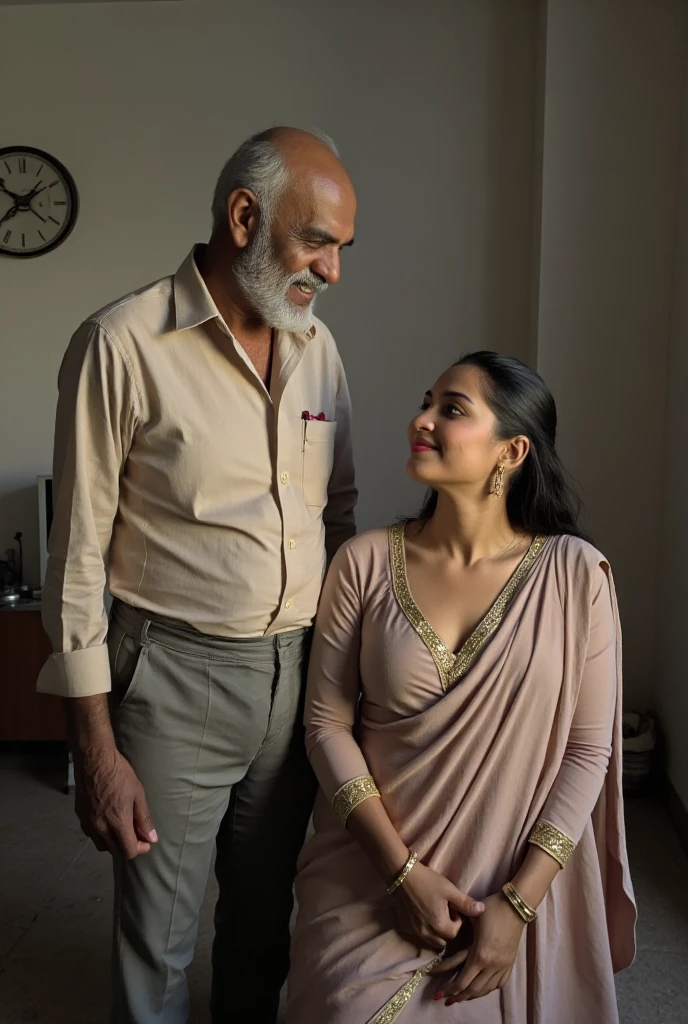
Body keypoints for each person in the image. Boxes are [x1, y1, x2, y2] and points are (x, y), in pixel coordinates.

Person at [37, 126, 357, 1024]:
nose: (332, 271)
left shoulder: (317, 346)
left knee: (264, 922)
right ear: (244, 216)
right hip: (172, 676)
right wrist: (94, 751)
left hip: (296, 676)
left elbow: (339, 509)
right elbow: (74, 566)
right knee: (158, 939)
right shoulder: (120, 343)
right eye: (317, 241)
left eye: (342, 249)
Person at [287, 351, 636, 1023]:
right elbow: (325, 725)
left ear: (513, 451)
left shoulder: (576, 576)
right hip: (369, 869)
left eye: (451, 409)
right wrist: (401, 874)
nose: (421, 420)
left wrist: (516, 906)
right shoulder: (363, 561)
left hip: (505, 886)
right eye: (427, 402)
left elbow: (587, 754)